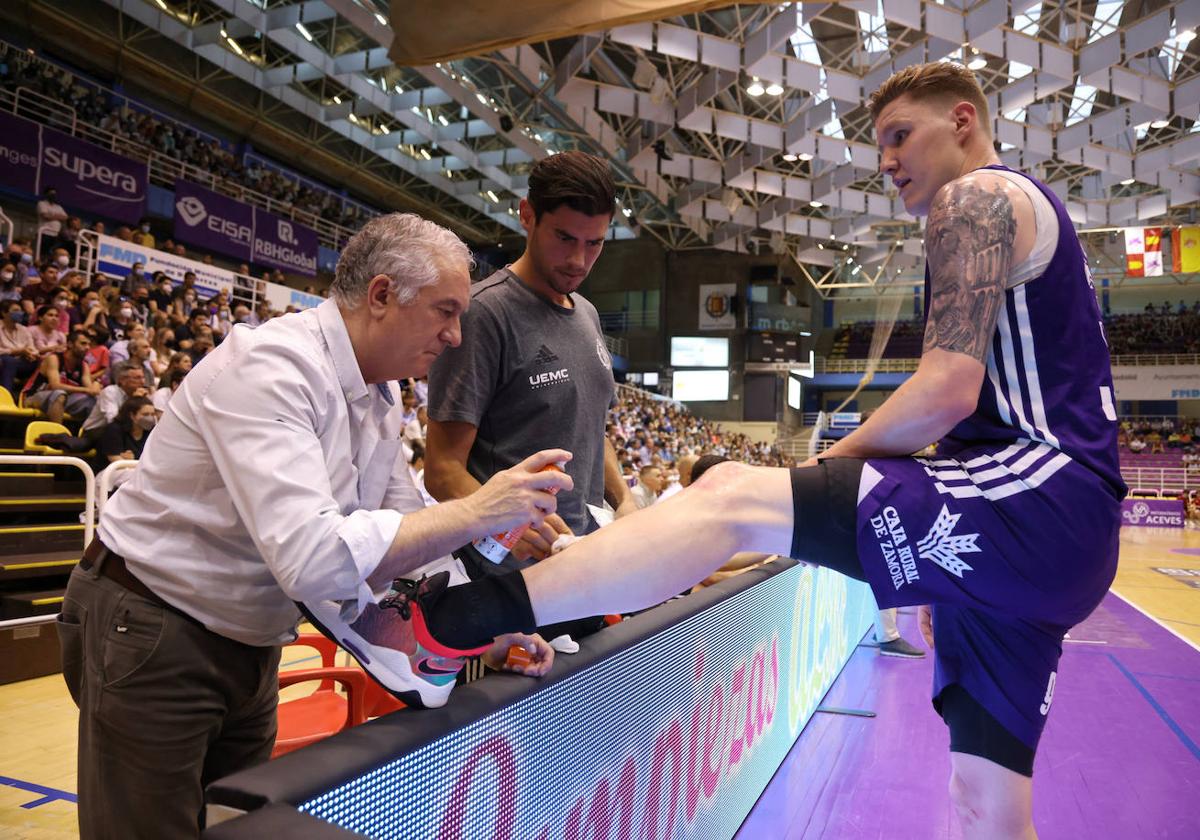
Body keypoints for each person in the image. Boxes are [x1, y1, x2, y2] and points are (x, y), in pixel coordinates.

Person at [369, 62, 1123, 840]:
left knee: (731, 492)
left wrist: (811, 475)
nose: (888, 160)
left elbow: (945, 392)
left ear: (964, 120)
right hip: (1048, 531)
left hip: (1036, 497)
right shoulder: (1028, 214)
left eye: (902, 136)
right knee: (987, 807)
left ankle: (448, 623)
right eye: (879, 144)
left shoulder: (977, 197)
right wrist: (942, 570)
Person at [59, 213, 563, 838]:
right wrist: (480, 509)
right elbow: (315, 559)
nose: (456, 335)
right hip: (156, 623)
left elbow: (409, 537)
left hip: (249, 637)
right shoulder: (272, 367)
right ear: (381, 296)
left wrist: (481, 633)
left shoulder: (375, 395)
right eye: (445, 311)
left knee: (233, 825)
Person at [426, 151, 637, 584]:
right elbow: (442, 469)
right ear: (527, 216)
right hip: (506, 577)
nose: (579, 260)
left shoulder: (588, 315)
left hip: (583, 559)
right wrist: (510, 526)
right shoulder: (484, 314)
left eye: (594, 243)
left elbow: (590, 429)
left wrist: (626, 501)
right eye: (564, 238)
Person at [0, 299, 39, 392]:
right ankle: (6, 396)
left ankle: (30, 396)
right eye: (15, 311)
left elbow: (32, 348)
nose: (20, 313)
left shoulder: (24, 329)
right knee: (9, 361)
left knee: (40, 361)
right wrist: (15, 351)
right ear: (4, 313)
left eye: (20, 310)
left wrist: (32, 354)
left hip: (21, 360)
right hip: (4, 360)